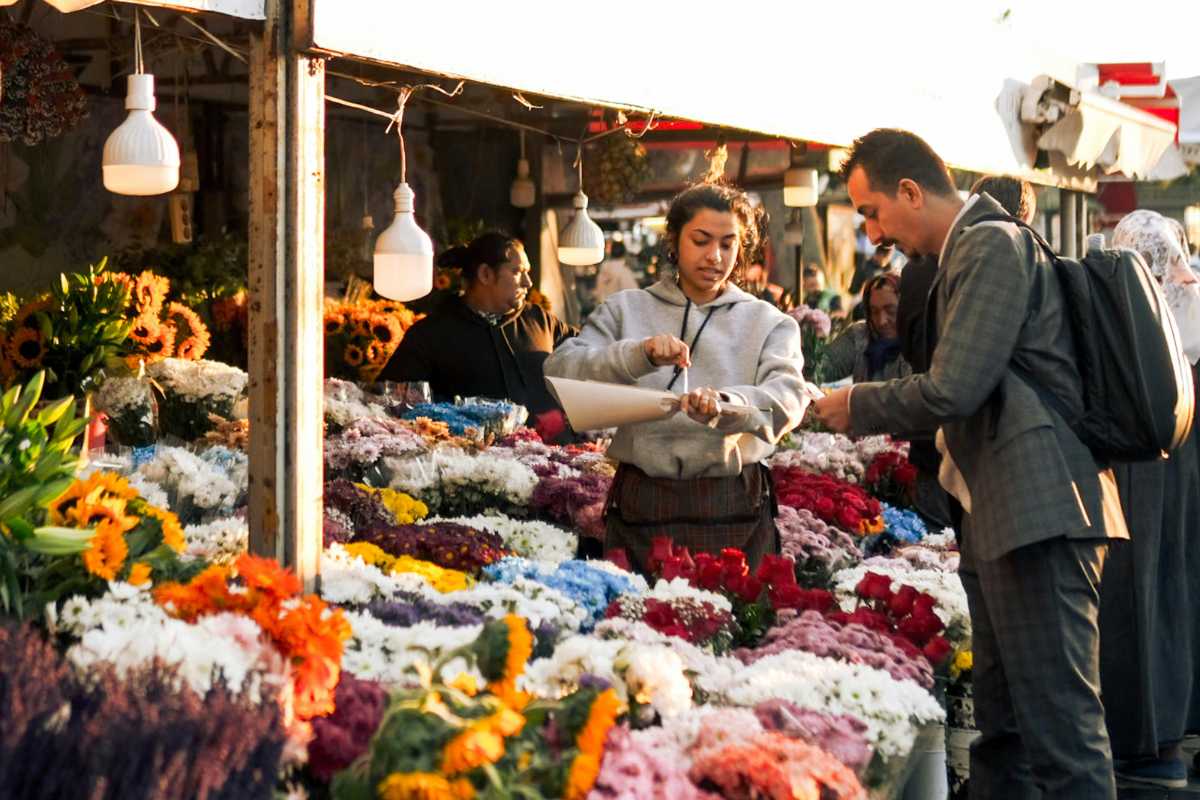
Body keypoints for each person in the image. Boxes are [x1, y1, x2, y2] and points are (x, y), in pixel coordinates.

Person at [812, 128, 1127, 799]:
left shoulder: (989, 243)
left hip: (1039, 512)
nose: (873, 232)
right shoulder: (974, 248)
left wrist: (853, 404)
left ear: (910, 190)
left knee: (1061, 735)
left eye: (871, 211)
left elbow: (955, 387)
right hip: (1007, 513)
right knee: (1006, 733)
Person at [544, 182, 807, 573]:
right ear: (674, 239)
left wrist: (727, 405)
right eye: (701, 240)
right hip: (642, 500)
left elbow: (788, 397)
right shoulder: (625, 309)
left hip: (733, 502)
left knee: (738, 624)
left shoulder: (769, 322)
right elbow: (559, 373)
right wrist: (639, 355)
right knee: (634, 625)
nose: (714, 256)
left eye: (728, 244)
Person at [1097, 210, 1200, 790]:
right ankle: (1171, 723)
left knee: (1140, 591)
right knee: (1177, 588)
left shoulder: (1142, 305)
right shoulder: (1189, 298)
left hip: (1145, 462)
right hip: (1181, 465)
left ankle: (1146, 730)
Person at [896, 175, 1037, 531]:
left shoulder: (916, 269)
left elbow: (913, 349)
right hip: (984, 451)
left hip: (931, 442)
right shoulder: (1011, 261)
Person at [380, 232, 577, 425]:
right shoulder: (431, 335)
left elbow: (589, 354)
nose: (528, 282)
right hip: (470, 455)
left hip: (555, 454)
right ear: (485, 274)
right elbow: (389, 402)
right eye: (517, 272)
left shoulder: (541, 320)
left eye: (527, 272)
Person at [822, 272, 911, 383]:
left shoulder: (921, 346)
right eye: (874, 312)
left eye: (891, 311)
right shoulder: (860, 337)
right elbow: (822, 368)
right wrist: (812, 339)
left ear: (907, 308)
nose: (882, 321)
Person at [594, 240, 639, 304]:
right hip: (618, 311)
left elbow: (598, 293)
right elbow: (633, 296)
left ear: (611, 253)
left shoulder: (603, 270)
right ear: (624, 254)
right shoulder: (624, 271)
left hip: (603, 309)